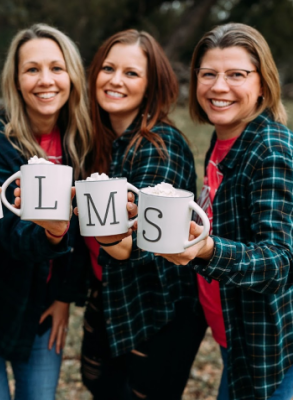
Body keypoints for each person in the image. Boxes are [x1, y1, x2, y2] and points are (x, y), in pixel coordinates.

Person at [0, 24, 92, 400]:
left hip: (43, 306)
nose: (45, 80)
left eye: (56, 68)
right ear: (15, 80)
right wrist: (53, 230)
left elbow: (84, 236)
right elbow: (11, 234)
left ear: (72, 76)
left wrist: (64, 296)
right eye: (32, 69)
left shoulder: (82, 138)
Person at [158, 23, 293, 400]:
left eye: (236, 74)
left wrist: (206, 250)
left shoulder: (270, 150)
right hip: (232, 332)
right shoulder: (226, 137)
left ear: (263, 82)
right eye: (208, 74)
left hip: (267, 344)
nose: (219, 87)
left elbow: (280, 260)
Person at [79, 29, 207, 400]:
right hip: (108, 299)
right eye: (108, 68)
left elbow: (138, 243)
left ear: (152, 85)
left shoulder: (160, 147)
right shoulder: (97, 140)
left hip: (157, 311)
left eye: (131, 73)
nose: (115, 80)